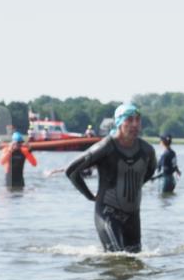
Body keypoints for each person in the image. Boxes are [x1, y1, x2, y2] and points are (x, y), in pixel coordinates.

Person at [65, 103, 157, 253]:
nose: (135, 124)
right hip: (108, 215)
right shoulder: (106, 147)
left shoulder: (147, 150)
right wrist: (89, 196)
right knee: (118, 259)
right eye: (130, 119)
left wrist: (135, 186)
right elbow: (71, 171)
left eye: (138, 119)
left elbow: (150, 171)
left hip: (133, 217)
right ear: (119, 122)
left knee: (135, 262)